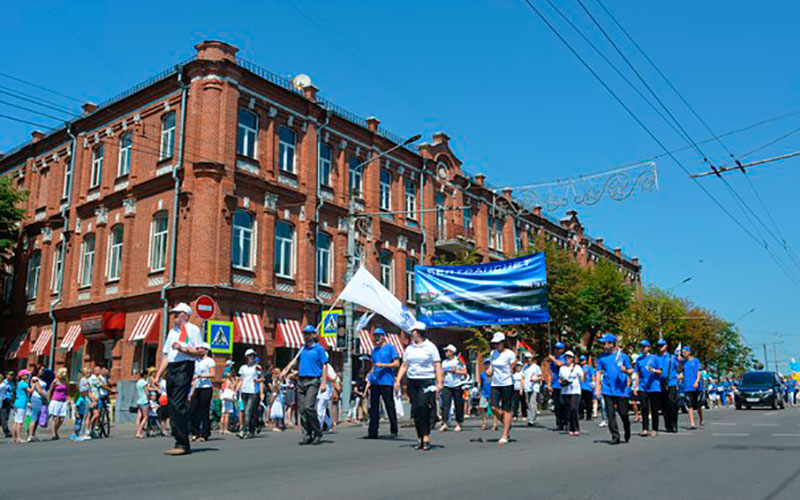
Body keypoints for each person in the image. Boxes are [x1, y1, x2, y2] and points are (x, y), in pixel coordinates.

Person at [155, 302, 204, 455]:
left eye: (177, 314)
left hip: (185, 367)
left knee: (177, 404)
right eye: (174, 314)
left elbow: (200, 352)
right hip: (172, 368)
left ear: (185, 315)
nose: (174, 317)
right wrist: (158, 375)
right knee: (171, 405)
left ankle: (183, 443)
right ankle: (178, 440)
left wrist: (184, 349)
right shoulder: (172, 332)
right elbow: (165, 356)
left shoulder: (192, 329)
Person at [396, 322, 442, 451]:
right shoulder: (410, 348)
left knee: (423, 407)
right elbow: (404, 365)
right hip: (412, 381)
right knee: (416, 410)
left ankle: (426, 435)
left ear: (420, 332)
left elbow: (437, 365)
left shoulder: (430, 347)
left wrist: (439, 382)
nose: (411, 334)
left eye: (413, 332)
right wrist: (398, 380)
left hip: (426, 380)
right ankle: (419, 437)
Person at [282, 325, 328, 445]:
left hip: (313, 380)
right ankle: (307, 435)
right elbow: (298, 365)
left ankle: (317, 432)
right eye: (304, 334)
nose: (306, 336)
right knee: (302, 410)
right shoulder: (302, 350)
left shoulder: (319, 349)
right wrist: (287, 372)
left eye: (308, 334)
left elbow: (324, 366)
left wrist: (323, 383)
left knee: (309, 407)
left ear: (314, 335)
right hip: (301, 381)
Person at [595, 333, 633, 445]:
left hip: (621, 389)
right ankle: (615, 435)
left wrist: (625, 370)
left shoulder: (623, 356)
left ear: (611, 344)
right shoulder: (602, 357)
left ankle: (627, 428)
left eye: (605, 343)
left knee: (623, 413)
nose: (603, 346)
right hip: (607, 388)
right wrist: (598, 387)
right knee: (610, 413)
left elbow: (631, 371)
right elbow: (598, 372)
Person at [367, 328, 400, 439]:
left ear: (383, 336)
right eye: (375, 336)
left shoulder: (390, 348)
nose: (376, 338)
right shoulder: (374, 350)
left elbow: (396, 363)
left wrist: (384, 365)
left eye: (378, 336)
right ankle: (372, 432)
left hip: (386, 381)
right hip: (375, 381)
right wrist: (369, 377)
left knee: (389, 405)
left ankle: (394, 429)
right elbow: (373, 365)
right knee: (374, 407)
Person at [487, 331, 517, 445]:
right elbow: (492, 366)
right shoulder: (493, 353)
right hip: (495, 383)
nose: (496, 345)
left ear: (503, 343)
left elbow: (514, 366)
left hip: (507, 383)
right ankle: (506, 423)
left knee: (506, 409)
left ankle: (505, 434)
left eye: (498, 343)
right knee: (493, 406)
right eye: (494, 343)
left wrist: (512, 368)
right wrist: (489, 371)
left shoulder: (509, 354)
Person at [635, 340, 662, 437]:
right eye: (641, 347)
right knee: (644, 407)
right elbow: (637, 373)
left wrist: (654, 370)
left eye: (644, 347)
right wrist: (635, 386)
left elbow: (661, 371)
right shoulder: (639, 360)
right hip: (643, 386)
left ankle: (655, 429)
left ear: (648, 348)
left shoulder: (654, 358)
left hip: (654, 386)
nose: (642, 348)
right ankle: (645, 428)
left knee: (654, 408)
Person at [190, 343, 215, 441]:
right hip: (197, 387)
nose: (198, 350)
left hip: (206, 387)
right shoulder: (196, 361)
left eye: (200, 348)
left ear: (206, 350)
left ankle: (204, 433)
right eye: (197, 348)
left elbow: (212, 374)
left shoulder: (209, 361)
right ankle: (195, 432)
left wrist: (200, 376)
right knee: (193, 410)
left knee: (204, 410)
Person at [440, 344, 467, 432]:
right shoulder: (444, 362)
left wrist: (455, 371)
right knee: (445, 404)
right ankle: (445, 423)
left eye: (447, 351)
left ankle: (458, 423)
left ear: (452, 352)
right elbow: (442, 373)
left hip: (457, 385)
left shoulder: (458, 360)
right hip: (446, 385)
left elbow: (465, 372)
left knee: (458, 404)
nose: (446, 353)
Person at [237, 348, 263, 439]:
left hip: (253, 392)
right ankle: (252, 428)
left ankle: (243, 431)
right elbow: (241, 380)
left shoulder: (257, 367)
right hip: (244, 391)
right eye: (249, 356)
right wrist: (236, 389)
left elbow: (262, 379)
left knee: (248, 411)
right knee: (246, 412)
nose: (251, 357)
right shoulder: (243, 368)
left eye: (253, 355)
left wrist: (257, 380)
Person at [656, 339, 679, 433]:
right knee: (664, 405)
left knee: (672, 403)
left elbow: (679, 367)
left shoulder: (672, 357)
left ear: (666, 346)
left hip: (671, 382)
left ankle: (674, 424)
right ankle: (668, 425)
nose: (660, 347)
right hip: (660, 383)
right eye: (659, 346)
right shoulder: (656, 358)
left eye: (662, 345)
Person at [559, 351, 584, 437]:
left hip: (575, 391)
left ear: (572, 359)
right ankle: (570, 427)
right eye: (566, 357)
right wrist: (563, 382)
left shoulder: (577, 368)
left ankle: (576, 428)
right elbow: (560, 378)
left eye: (569, 357)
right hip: (565, 391)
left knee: (574, 408)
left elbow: (582, 377)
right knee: (568, 410)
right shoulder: (562, 368)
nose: (567, 359)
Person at [681, 346, 704, 430]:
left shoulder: (695, 361)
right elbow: (683, 373)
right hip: (688, 387)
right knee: (689, 405)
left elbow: (699, 371)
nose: (683, 354)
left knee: (698, 405)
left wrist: (697, 381)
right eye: (683, 352)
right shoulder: (684, 363)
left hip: (696, 387)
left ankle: (701, 419)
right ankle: (692, 423)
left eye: (685, 352)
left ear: (689, 352)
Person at [547, 342, 567, 430]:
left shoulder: (565, 357)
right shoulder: (553, 359)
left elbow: (560, 364)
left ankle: (566, 422)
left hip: (563, 384)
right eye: (556, 348)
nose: (558, 350)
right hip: (555, 385)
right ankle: (559, 423)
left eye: (559, 349)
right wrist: (549, 384)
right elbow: (550, 373)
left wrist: (553, 359)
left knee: (564, 404)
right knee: (557, 405)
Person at [317, 362, 339, 432]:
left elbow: (333, 378)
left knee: (320, 409)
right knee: (318, 409)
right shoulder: (318, 365)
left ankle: (319, 426)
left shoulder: (328, 367)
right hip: (318, 390)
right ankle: (329, 423)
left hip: (325, 391)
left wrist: (324, 376)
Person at [47, 368, 69, 440]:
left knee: (61, 418)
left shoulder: (65, 381)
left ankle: (56, 431)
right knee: (55, 418)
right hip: (55, 400)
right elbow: (50, 390)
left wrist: (68, 398)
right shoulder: (55, 381)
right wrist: (49, 400)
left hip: (63, 401)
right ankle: (53, 433)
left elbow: (67, 390)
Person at [27, 368, 48, 442]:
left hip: (41, 399)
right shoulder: (35, 378)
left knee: (37, 417)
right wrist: (46, 397)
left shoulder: (41, 379)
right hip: (36, 398)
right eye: (42, 370)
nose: (43, 371)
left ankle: (33, 434)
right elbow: (39, 390)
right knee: (34, 416)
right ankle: (30, 435)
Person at [11, 369, 32, 444]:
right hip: (22, 403)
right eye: (27, 375)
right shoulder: (24, 384)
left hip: (17, 403)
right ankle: (19, 438)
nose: (28, 376)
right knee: (20, 421)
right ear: (23, 376)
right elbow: (30, 390)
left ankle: (14, 437)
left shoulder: (19, 383)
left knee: (16, 421)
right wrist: (34, 384)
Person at [522, 353, 542, 427]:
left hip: (534, 387)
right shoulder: (524, 368)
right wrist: (522, 387)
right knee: (527, 403)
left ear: (532, 358)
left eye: (529, 358)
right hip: (527, 387)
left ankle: (532, 419)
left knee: (532, 402)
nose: (528, 360)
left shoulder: (536, 367)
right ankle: (530, 417)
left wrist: (535, 379)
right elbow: (523, 378)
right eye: (526, 358)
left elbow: (540, 376)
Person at [78, 367, 94, 439]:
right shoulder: (83, 380)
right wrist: (87, 388)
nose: (89, 373)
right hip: (85, 399)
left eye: (89, 372)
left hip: (89, 399)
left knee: (88, 415)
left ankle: (85, 431)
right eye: (87, 372)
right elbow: (81, 390)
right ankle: (83, 432)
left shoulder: (87, 380)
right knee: (85, 416)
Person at [578, 355, 594, 421]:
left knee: (588, 403)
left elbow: (592, 375)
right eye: (581, 360)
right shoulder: (579, 368)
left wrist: (593, 382)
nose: (582, 361)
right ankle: (581, 415)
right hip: (580, 387)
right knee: (580, 402)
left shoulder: (589, 368)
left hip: (588, 387)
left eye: (583, 360)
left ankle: (589, 415)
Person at [134, 371, 149, 439]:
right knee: (145, 417)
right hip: (144, 400)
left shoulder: (138, 382)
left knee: (139, 417)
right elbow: (146, 392)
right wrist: (148, 399)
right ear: (145, 375)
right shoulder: (144, 382)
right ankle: (139, 432)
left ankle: (137, 431)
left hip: (139, 400)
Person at [479, 359, 492, 431]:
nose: (487, 365)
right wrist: (480, 390)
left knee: (494, 408)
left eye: (488, 364)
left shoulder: (494, 373)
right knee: (481, 407)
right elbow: (481, 383)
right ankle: (484, 422)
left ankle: (495, 424)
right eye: (485, 364)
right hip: (484, 392)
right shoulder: (482, 374)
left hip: (493, 392)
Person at [0, 372, 15, 438]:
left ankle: (6, 430)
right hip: (3, 401)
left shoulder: (11, 383)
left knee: (5, 417)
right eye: (10, 375)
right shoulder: (4, 384)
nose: (11, 376)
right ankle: (7, 431)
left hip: (8, 400)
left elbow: (12, 392)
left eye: (12, 375)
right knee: (4, 417)